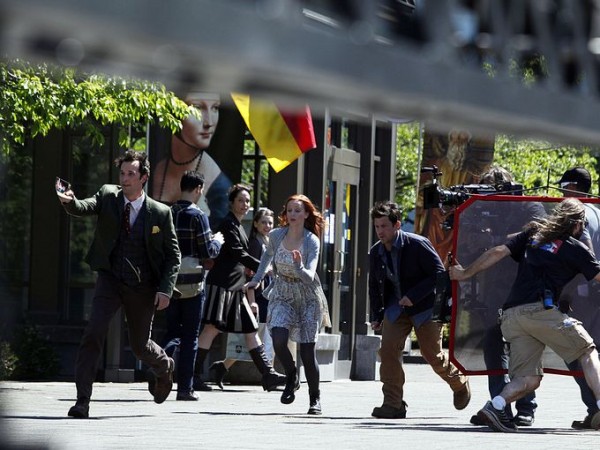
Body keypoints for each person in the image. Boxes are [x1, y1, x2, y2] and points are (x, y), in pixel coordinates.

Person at [450, 197, 600, 432]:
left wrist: (464, 274)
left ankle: (495, 406)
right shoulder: (576, 248)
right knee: (588, 351)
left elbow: (497, 252)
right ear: (578, 224)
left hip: (512, 317)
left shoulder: (533, 234)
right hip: (541, 311)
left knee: (529, 380)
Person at [57, 150, 181, 418]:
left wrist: (165, 289)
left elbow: (173, 255)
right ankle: (82, 401)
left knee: (139, 346)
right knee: (93, 334)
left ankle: (163, 365)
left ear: (143, 177)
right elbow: (83, 207)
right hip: (110, 280)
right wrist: (69, 201)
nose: (124, 179)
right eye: (122, 173)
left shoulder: (160, 213)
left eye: (131, 174)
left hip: (144, 286)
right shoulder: (107, 196)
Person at [368, 201, 471, 419]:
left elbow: (437, 274)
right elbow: (374, 286)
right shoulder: (376, 252)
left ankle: (459, 382)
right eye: (377, 227)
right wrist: (376, 315)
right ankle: (393, 404)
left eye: (384, 226)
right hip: (396, 309)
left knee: (431, 354)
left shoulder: (417, 244)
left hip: (425, 307)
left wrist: (413, 296)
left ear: (397, 226)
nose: (380, 231)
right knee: (388, 351)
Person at [193, 184, 285, 392]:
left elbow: (240, 257)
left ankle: (268, 375)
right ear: (232, 203)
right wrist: (263, 268)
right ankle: (193, 375)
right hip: (222, 285)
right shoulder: (228, 224)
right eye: (241, 200)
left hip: (236, 286)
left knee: (251, 329)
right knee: (211, 329)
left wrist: (254, 271)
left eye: (247, 201)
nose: (245, 204)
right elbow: (237, 253)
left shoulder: (237, 224)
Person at [467, 166, 540, 427]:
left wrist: (496, 239)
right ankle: (500, 405)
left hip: (525, 288)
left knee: (523, 347)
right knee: (493, 346)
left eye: (494, 190)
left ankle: (526, 406)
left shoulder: (527, 206)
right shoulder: (483, 211)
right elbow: (469, 239)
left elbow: (537, 231)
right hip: (494, 288)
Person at [247, 194, 331, 415]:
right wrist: (256, 279)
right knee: (279, 339)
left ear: (305, 214)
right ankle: (291, 374)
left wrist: (299, 265)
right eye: (289, 210)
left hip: (307, 297)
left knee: (307, 351)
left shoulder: (311, 240)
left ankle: (315, 398)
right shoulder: (276, 235)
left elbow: (309, 275)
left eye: (297, 210)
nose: (292, 214)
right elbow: (266, 258)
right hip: (282, 292)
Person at [156, 171, 224, 400]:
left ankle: (158, 365)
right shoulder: (198, 216)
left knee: (172, 331)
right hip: (193, 285)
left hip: (169, 282)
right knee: (190, 337)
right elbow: (207, 251)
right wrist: (218, 242)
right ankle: (185, 388)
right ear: (198, 189)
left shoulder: (167, 213)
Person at [209, 207, 275, 389]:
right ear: (255, 224)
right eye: (263, 222)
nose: (267, 226)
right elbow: (250, 273)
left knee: (253, 335)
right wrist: (252, 299)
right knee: (257, 334)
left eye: (270, 222)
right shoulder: (255, 243)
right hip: (257, 295)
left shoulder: (267, 241)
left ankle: (223, 367)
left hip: (266, 293)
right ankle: (269, 374)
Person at [558, 167, 600, 429]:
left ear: (573, 186)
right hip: (595, 293)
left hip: (582, 295)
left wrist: (566, 294)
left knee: (578, 353)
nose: (561, 190)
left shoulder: (576, 212)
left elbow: (581, 252)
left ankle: (595, 408)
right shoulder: (597, 209)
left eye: (563, 184)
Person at [152, 91, 231, 228]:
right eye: (197, 107)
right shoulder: (155, 167)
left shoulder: (220, 188)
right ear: (173, 110)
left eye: (215, 108)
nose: (209, 123)